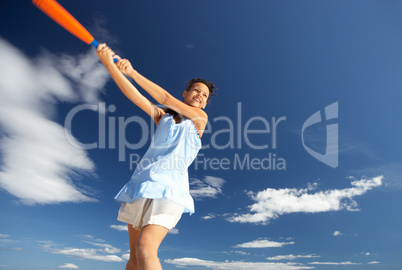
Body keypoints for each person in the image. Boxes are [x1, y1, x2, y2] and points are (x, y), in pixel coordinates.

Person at [96, 44, 216, 270]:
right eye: (196, 90)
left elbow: (166, 97)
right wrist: (109, 65)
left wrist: (132, 72)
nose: (200, 96)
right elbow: (136, 97)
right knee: (133, 257)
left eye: (205, 95)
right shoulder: (163, 118)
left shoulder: (200, 119)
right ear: (186, 92)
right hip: (142, 185)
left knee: (145, 249)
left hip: (170, 190)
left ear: (206, 103)